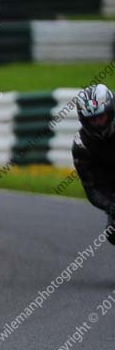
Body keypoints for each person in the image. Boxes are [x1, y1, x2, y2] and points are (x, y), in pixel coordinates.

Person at [73, 84, 115, 245]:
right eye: (92, 120)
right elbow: (91, 187)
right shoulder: (82, 145)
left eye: (101, 117)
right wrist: (110, 205)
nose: (98, 123)